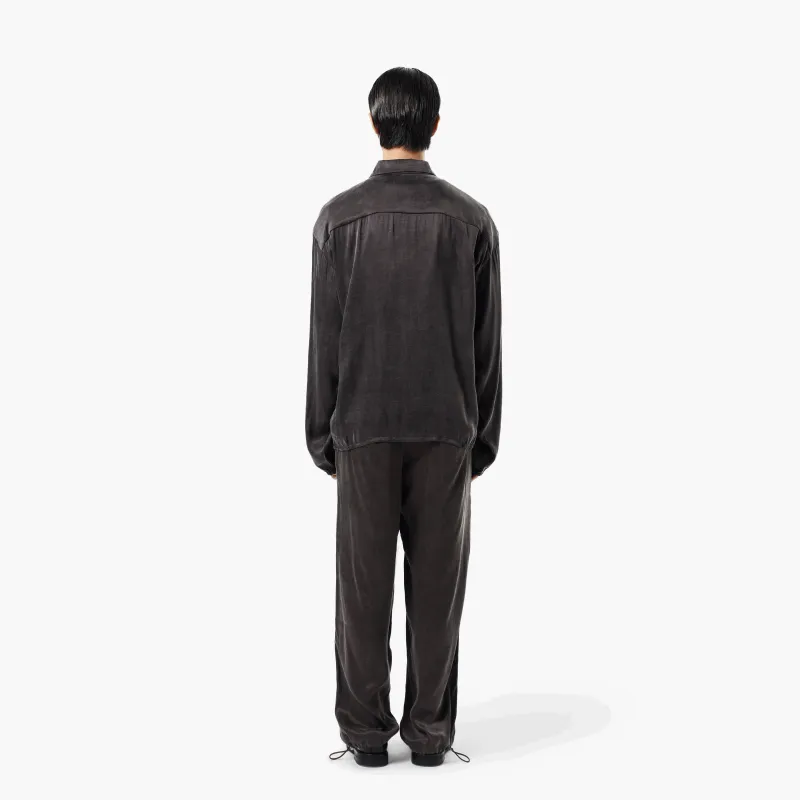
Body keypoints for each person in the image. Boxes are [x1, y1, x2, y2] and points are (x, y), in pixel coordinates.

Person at [306, 67, 502, 767]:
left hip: (361, 428)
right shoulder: (471, 219)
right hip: (446, 428)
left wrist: (323, 437)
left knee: (361, 593)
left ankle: (365, 740)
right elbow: (486, 345)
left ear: (374, 123)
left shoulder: (338, 218)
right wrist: (480, 440)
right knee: (437, 590)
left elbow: (324, 338)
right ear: (435, 126)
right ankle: (429, 738)